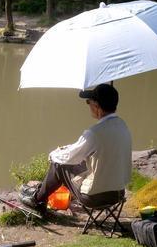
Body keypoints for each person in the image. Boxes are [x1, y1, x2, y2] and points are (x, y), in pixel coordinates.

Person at [20, 84, 132, 214]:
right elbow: (86, 150)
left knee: (58, 165)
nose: (88, 105)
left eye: (89, 102)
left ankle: (37, 200)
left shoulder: (94, 133)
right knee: (80, 163)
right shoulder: (123, 126)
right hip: (117, 193)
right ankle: (39, 192)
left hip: (95, 197)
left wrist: (53, 154)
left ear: (97, 107)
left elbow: (70, 157)